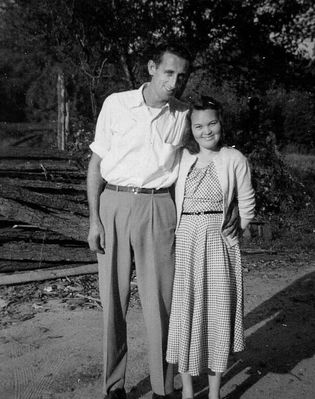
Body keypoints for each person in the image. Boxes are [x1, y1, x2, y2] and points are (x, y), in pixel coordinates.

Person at [87, 42, 192, 399]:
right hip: (113, 204)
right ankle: (114, 386)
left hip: (159, 207)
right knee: (113, 302)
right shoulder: (116, 104)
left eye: (180, 76)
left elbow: (199, 159)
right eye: (168, 72)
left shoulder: (183, 114)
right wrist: (94, 221)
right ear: (151, 68)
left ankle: (164, 386)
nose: (174, 82)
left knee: (161, 303)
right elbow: (96, 165)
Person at [166, 96, 256, 399]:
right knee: (186, 313)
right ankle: (189, 392)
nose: (207, 131)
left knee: (217, 314)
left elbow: (247, 204)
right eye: (199, 125)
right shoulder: (182, 159)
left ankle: (215, 392)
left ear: (222, 123)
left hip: (219, 245)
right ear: (190, 129)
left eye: (213, 123)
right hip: (187, 244)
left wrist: (234, 229)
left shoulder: (234, 159)